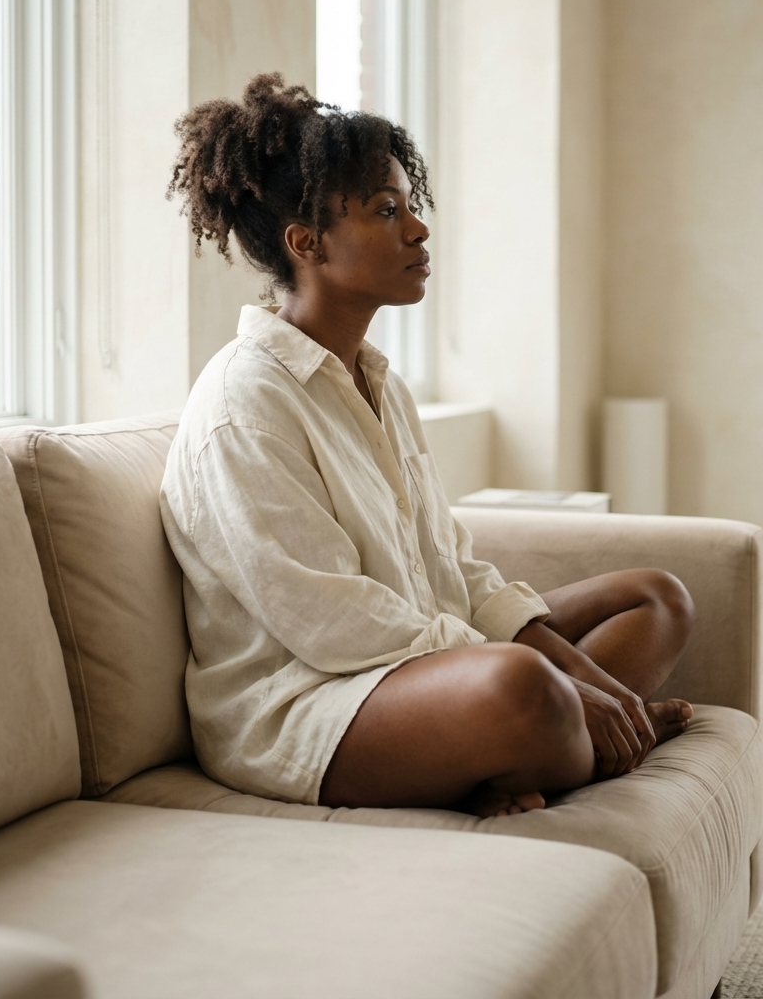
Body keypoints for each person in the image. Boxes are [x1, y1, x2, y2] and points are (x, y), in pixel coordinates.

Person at [161, 72, 695, 819]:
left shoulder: (379, 383)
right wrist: (550, 678)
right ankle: (557, 743)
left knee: (656, 599)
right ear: (307, 243)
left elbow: (452, 565)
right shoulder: (243, 402)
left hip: (418, 672)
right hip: (315, 706)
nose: (418, 229)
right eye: (387, 211)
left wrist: (588, 681)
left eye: (410, 206)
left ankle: (543, 752)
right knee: (523, 686)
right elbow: (331, 622)